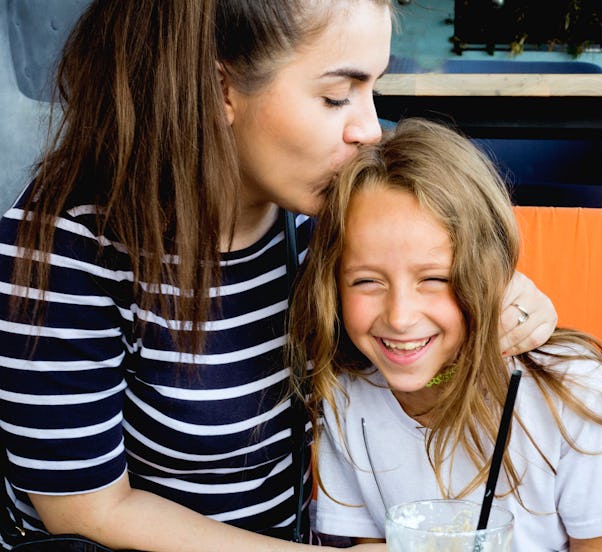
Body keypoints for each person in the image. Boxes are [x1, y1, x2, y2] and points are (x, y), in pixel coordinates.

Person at [0, 2, 558, 551]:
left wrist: (491, 305)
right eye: (337, 96)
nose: (369, 128)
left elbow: (420, 369)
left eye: (373, 91)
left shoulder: (320, 219)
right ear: (220, 90)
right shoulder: (62, 249)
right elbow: (86, 509)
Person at [289, 118, 602, 551]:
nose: (401, 317)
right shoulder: (346, 397)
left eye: (435, 279)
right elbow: (371, 545)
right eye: (367, 281)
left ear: (485, 274)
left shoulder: (569, 386)